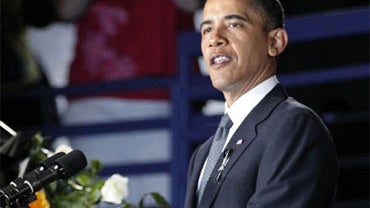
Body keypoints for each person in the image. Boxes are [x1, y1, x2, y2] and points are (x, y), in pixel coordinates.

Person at [184, 0, 338, 207]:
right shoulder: (203, 153)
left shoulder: (293, 126)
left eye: (233, 25)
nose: (214, 39)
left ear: (275, 42)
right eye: (207, 29)